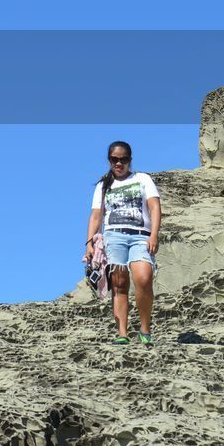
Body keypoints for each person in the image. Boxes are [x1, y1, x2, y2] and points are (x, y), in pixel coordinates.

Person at [82, 140, 161, 347]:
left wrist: (154, 235)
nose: (119, 163)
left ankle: (145, 329)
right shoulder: (103, 185)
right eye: (115, 159)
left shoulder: (143, 179)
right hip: (113, 237)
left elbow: (154, 207)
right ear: (109, 160)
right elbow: (96, 216)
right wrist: (89, 243)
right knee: (119, 285)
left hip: (140, 236)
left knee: (143, 279)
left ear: (130, 160)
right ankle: (122, 333)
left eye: (123, 159)